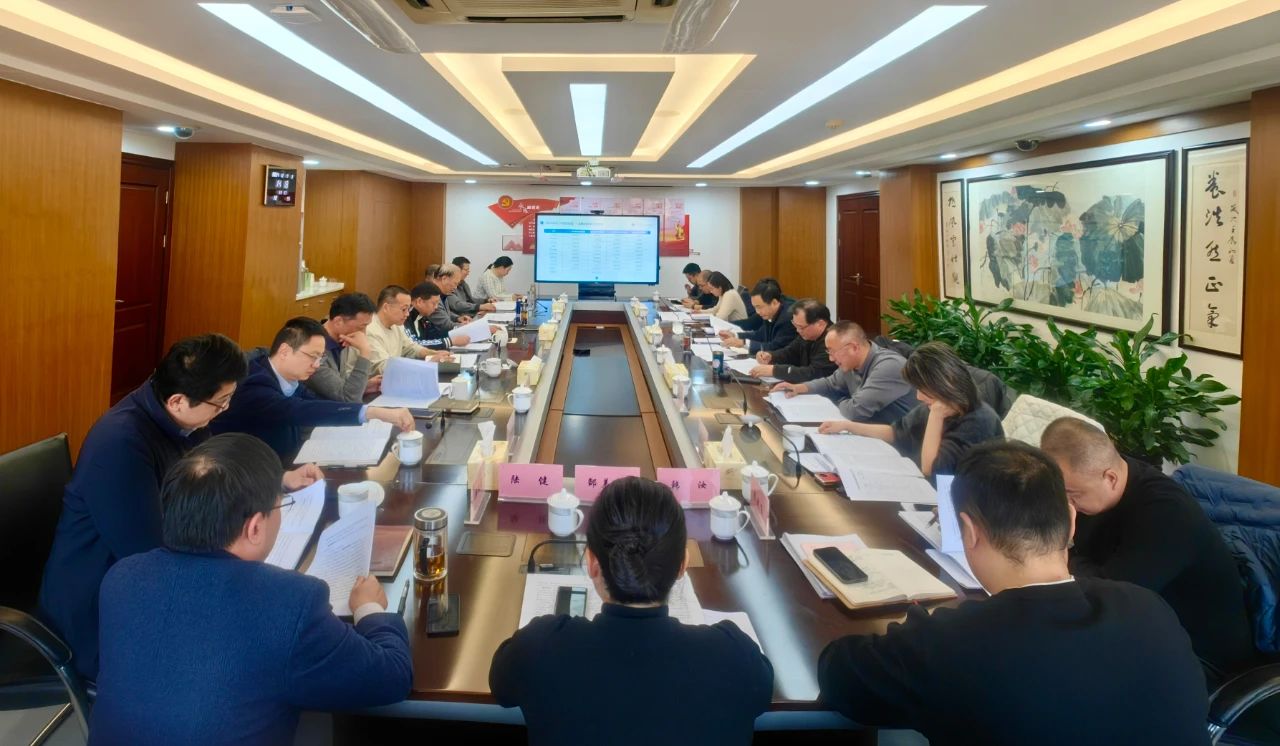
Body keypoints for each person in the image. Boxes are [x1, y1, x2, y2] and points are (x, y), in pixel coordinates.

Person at [817, 441, 1209, 746]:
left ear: (969, 531)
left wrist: (916, 630)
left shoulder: (950, 644)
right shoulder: (1150, 608)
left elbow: (839, 677)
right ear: (1072, 520)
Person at [89, 434, 412, 746]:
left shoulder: (122, 578)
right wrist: (369, 609)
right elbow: (391, 677)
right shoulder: (290, 602)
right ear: (255, 527)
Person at [39, 334, 322, 680]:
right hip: (103, 606)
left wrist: (279, 479)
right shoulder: (120, 444)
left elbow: (215, 471)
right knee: (246, 646)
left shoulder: (180, 418)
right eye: (220, 402)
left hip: (157, 576)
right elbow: (148, 555)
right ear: (177, 401)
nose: (224, 410)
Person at [489, 477, 773, 746]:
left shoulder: (539, 647)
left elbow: (501, 686)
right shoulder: (734, 656)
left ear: (592, 563)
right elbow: (761, 695)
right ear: (682, 566)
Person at [1040, 417, 1254, 678]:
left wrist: (1060, 553)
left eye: (1072, 494)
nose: (1066, 503)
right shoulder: (1101, 490)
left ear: (1110, 478)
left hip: (1201, 656)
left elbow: (1110, 596)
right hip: (1145, 625)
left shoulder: (1167, 514)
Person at [209, 317, 415, 462]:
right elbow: (300, 410)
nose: (316, 365)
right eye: (313, 356)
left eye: (320, 358)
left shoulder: (289, 377)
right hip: (250, 476)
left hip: (287, 463)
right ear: (284, 351)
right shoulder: (255, 384)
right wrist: (373, 412)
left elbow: (316, 403)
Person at [819, 342, 1002, 478]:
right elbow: (896, 432)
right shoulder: (941, 404)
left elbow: (931, 470)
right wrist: (848, 426)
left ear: (945, 383)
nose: (919, 397)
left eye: (923, 390)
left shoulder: (978, 420)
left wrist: (936, 416)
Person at [771, 321, 916, 424]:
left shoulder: (889, 366)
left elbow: (855, 411)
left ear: (854, 347)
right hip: (868, 431)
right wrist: (800, 388)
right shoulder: (851, 363)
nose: (830, 358)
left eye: (833, 351)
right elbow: (831, 383)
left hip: (900, 446)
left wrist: (838, 401)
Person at [304, 292, 380, 402]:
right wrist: (365, 353)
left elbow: (341, 387)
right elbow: (349, 399)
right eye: (361, 327)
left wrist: (365, 386)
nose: (364, 333)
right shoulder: (314, 352)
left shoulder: (342, 340)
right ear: (338, 321)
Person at [367, 285, 452, 374]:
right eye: (404, 309)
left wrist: (434, 353)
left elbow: (411, 348)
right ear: (386, 308)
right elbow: (383, 367)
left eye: (408, 309)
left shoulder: (397, 325)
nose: (407, 314)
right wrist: (429, 363)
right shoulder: (371, 330)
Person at [749, 299, 837, 383]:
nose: (798, 331)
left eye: (801, 327)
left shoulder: (833, 341)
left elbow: (813, 373)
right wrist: (771, 356)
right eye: (795, 325)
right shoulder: (806, 335)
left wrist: (774, 370)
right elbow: (790, 352)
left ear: (820, 324)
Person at [719, 280, 796, 354]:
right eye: (755, 307)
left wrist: (743, 343)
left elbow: (775, 347)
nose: (757, 312)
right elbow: (760, 334)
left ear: (774, 303)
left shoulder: (788, 319)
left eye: (759, 307)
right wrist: (735, 335)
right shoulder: (769, 313)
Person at [406, 280, 464, 349]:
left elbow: (433, 336)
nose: (436, 307)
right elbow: (414, 344)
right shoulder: (405, 317)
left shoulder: (423, 316)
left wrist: (458, 330)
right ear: (419, 302)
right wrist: (450, 341)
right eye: (434, 303)